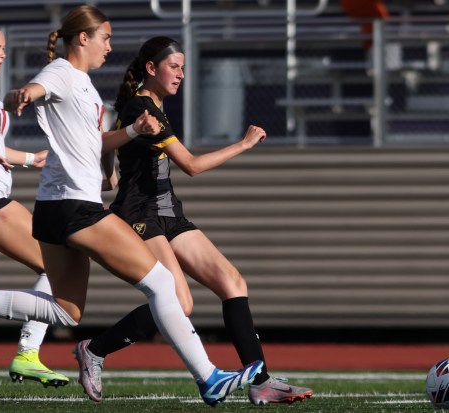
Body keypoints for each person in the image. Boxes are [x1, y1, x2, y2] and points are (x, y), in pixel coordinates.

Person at [0, 5, 262, 406]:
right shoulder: (61, 72)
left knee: (66, 313)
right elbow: (34, 88)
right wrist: (24, 94)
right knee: (162, 284)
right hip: (75, 207)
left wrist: (129, 132)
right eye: (105, 37)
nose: (110, 46)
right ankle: (209, 377)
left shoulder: (85, 85)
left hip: (57, 207)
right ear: (83, 39)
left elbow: (96, 142)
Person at [72, 36, 313, 405]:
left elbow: (108, 142)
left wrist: (110, 174)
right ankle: (94, 349)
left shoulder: (149, 106)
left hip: (169, 212)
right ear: (151, 68)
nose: (181, 74)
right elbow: (192, 166)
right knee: (179, 302)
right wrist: (243, 144)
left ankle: (260, 380)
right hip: (141, 215)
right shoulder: (142, 106)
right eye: (174, 66)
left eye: (184, 67)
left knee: (232, 281)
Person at [0, 19, 69, 388]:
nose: (3, 53)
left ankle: (28, 354)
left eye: (4, 46)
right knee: (57, 263)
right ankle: (29, 353)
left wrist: (31, 158)